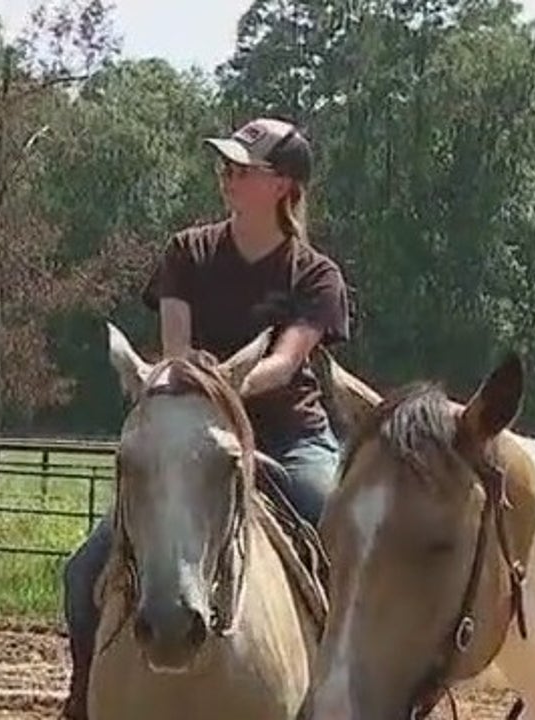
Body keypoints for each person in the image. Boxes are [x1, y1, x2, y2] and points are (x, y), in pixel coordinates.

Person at [59, 117, 352, 719]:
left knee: (340, 530)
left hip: (289, 436)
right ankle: (82, 698)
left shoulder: (315, 276)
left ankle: (351, 694)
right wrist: (194, 388)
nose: (228, 176)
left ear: (284, 186)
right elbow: (175, 351)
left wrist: (224, 384)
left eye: (245, 168)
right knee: (83, 569)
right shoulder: (186, 253)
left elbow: (286, 359)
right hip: (189, 430)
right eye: (226, 166)